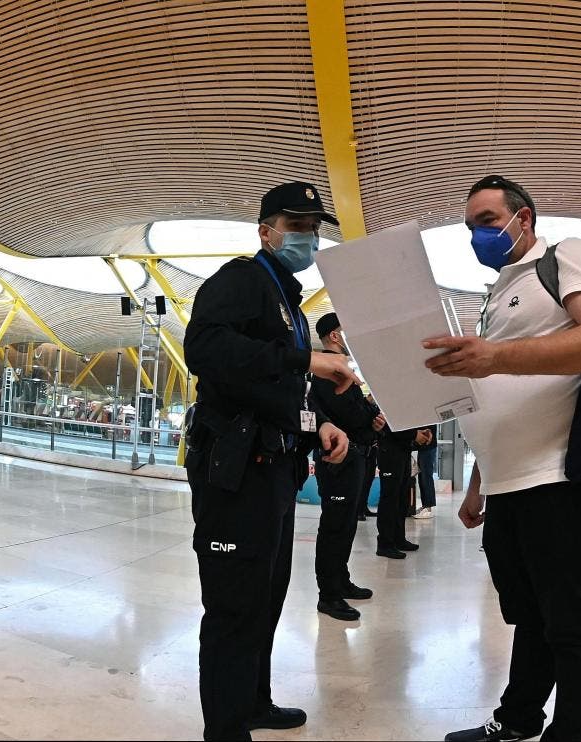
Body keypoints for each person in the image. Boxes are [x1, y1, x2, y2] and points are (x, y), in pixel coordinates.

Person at [424, 175, 581, 742]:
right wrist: (477, 482)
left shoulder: (568, 258)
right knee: (528, 617)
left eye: (488, 220)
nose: (477, 235)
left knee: (572, 624)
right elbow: (501, 395)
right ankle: (516, 721)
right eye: (470, 226)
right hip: (508, 485)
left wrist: (492, 357)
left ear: (525, 219)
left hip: (558, 476)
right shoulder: (497, 295)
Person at [183, 181, 358, 741]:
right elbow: (203, 349)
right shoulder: (242, 280)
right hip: (234, 473)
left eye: (313, 227)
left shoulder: (287, 301)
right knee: (234, 607)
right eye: (295, 225)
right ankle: (225, 730)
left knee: (265, 599)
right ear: (266, 231)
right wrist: (306, 358)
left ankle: (253, 702)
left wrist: (320, 423)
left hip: (273, 473)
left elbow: (280, 388)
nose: (306, 236)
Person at [310, 312, 386, 621]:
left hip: (355, 456)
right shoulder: (326, 370)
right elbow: (347, 412)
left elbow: (360, 407)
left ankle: (340, 581)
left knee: (347, 525)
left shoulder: (342, 368)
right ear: (335, 336)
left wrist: (372, 418)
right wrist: (371, 419)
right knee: (334, 526)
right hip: (337, 458)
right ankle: (328, 595)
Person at [376, 424, 432, 558]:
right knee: (390, 499)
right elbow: (391, 425)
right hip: (389, 452)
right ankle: (385, 543)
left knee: (402, 498)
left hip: (402, 451)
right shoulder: (387, 405)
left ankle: (398, 538)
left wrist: (417, 433)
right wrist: (414, 435)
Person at [413, 425, 438, 518]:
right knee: (422, 476)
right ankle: (425, 505)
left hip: (428, 446)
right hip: (423, 447)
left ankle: (428, 507)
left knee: (426, 476)